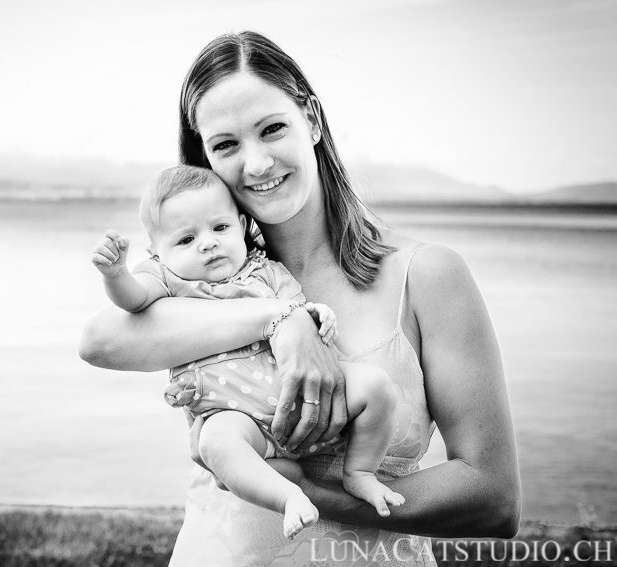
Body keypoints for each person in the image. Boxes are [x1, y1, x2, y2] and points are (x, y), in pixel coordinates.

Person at [79, 31, 520, 566]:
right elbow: (99, 342)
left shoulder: (425, 274)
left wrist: (308, 493)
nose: (258, 163)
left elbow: (492, 500)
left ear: (311, 118)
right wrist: (284, 320)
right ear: (206, 160)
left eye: (273, 129)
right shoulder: (199, 277)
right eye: (226, 145)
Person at [90, 164, 405, 539]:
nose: (207, 243)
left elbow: (298, 313)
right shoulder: (168, 280)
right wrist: (116, 275)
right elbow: (133, 299)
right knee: (215, 442)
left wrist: (319, 315)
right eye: (185, 239)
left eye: (219, 228)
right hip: (238, 417)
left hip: (301, 396)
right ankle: (287, 496)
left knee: (376, 386)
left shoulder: (268, 272)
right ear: (156, 251)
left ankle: (359, 472)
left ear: (241, 225)